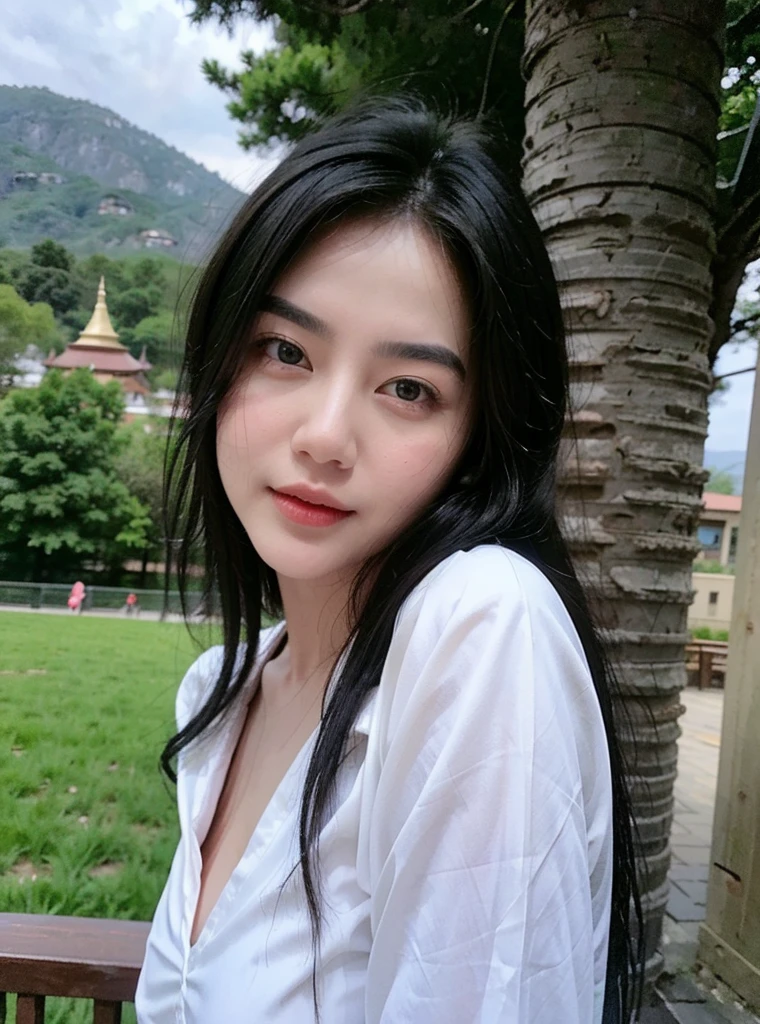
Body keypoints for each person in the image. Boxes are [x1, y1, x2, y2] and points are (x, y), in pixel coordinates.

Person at [135, 96, 644, 1024]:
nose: (326, 437)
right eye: (284, 350)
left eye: (409, 388)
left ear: (479, 435)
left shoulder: (484, 627)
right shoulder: (229, 690)